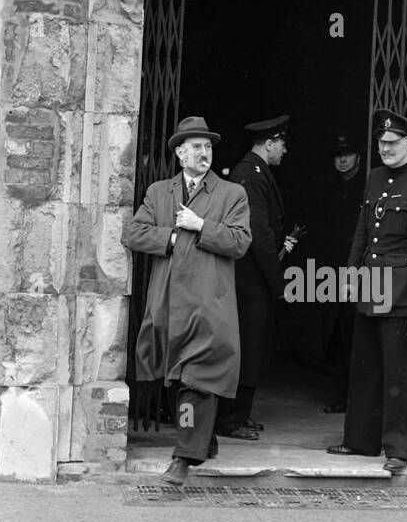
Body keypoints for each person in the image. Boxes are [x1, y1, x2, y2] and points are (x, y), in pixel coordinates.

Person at [122, 116, 251, 486]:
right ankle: (202, 439)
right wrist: (174, 239)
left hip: (209, 302)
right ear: (179, 152)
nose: (203, 153)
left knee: (199, 376)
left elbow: (240, 242)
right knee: (179, 379)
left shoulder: (231, 194)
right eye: (196, 147)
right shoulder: (159, 193)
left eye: (208, 147)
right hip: (168, 303)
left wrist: (201, 226)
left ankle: (183, 457)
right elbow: (134, 232)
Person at [327, 109, 407, 475]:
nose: (386, 148)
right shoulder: (375, 178)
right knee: (364, 367)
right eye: (381, 143)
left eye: (393, 143)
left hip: (402, 294)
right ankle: (360, 439)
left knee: (399, 374)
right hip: (370, 288)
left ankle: (398, 449)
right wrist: (349, 276)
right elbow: (363, 233)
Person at [216, 115, 296, 439]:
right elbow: (259, 236)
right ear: (269, 142)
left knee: (254, 346)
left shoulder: (257, 173)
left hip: (252, 279)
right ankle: (230, 420)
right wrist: (278, 283)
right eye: (283, 144)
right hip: (249, 280)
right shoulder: (250, 174)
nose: (285, 151)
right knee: (247, 348)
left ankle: (240, 415)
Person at [318, 133, 365, 413]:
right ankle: (341, 394)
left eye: (348, 154)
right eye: (338, 155)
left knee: (355, 332)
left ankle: (356, 398)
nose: (343, 160)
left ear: (358, 156)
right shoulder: (330, 188)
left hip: (360, 271)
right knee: (335, 333)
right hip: (332, 271)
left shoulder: (366, 187)